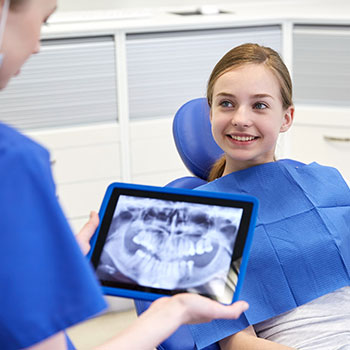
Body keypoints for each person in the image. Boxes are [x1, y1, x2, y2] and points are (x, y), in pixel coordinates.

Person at [0, 1, 249, 349]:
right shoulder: (13, 162)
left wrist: (47, 261)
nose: (37, 44)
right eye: (43, 20)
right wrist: (171, 312)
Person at [187, 43, 350, 350]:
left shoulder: (327, 184)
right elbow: (235, 342)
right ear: (210, 113)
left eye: (259, 105)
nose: (240, 118)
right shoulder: (200, 217)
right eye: (227, 104)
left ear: (286, 117)